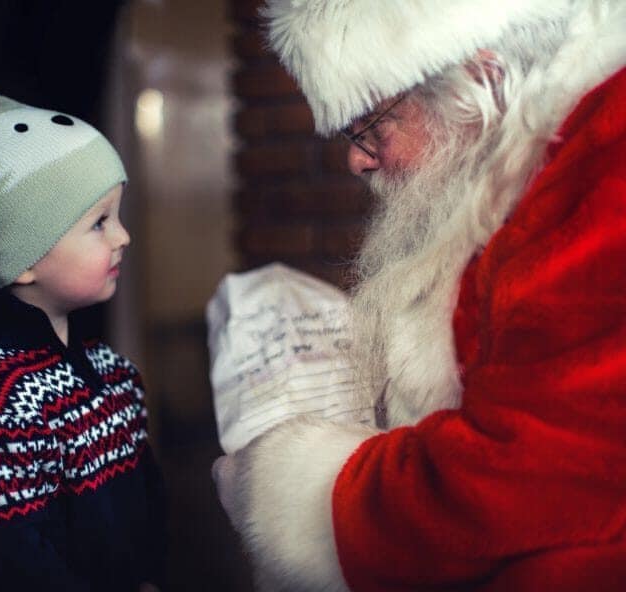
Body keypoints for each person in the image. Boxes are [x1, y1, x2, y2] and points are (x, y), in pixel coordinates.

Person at [213, 1, 626, 590]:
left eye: (371, 127)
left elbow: (531, 476)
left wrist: (300, 492)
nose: (356, 161)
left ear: (481, 80)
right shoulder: (542, 159)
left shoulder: (609, 156)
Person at [0, 83, 165, 592]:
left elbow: (148, 507)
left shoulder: (113, 373)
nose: (123, 236)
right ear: (22, 258)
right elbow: (17, 565)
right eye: (99, 223)